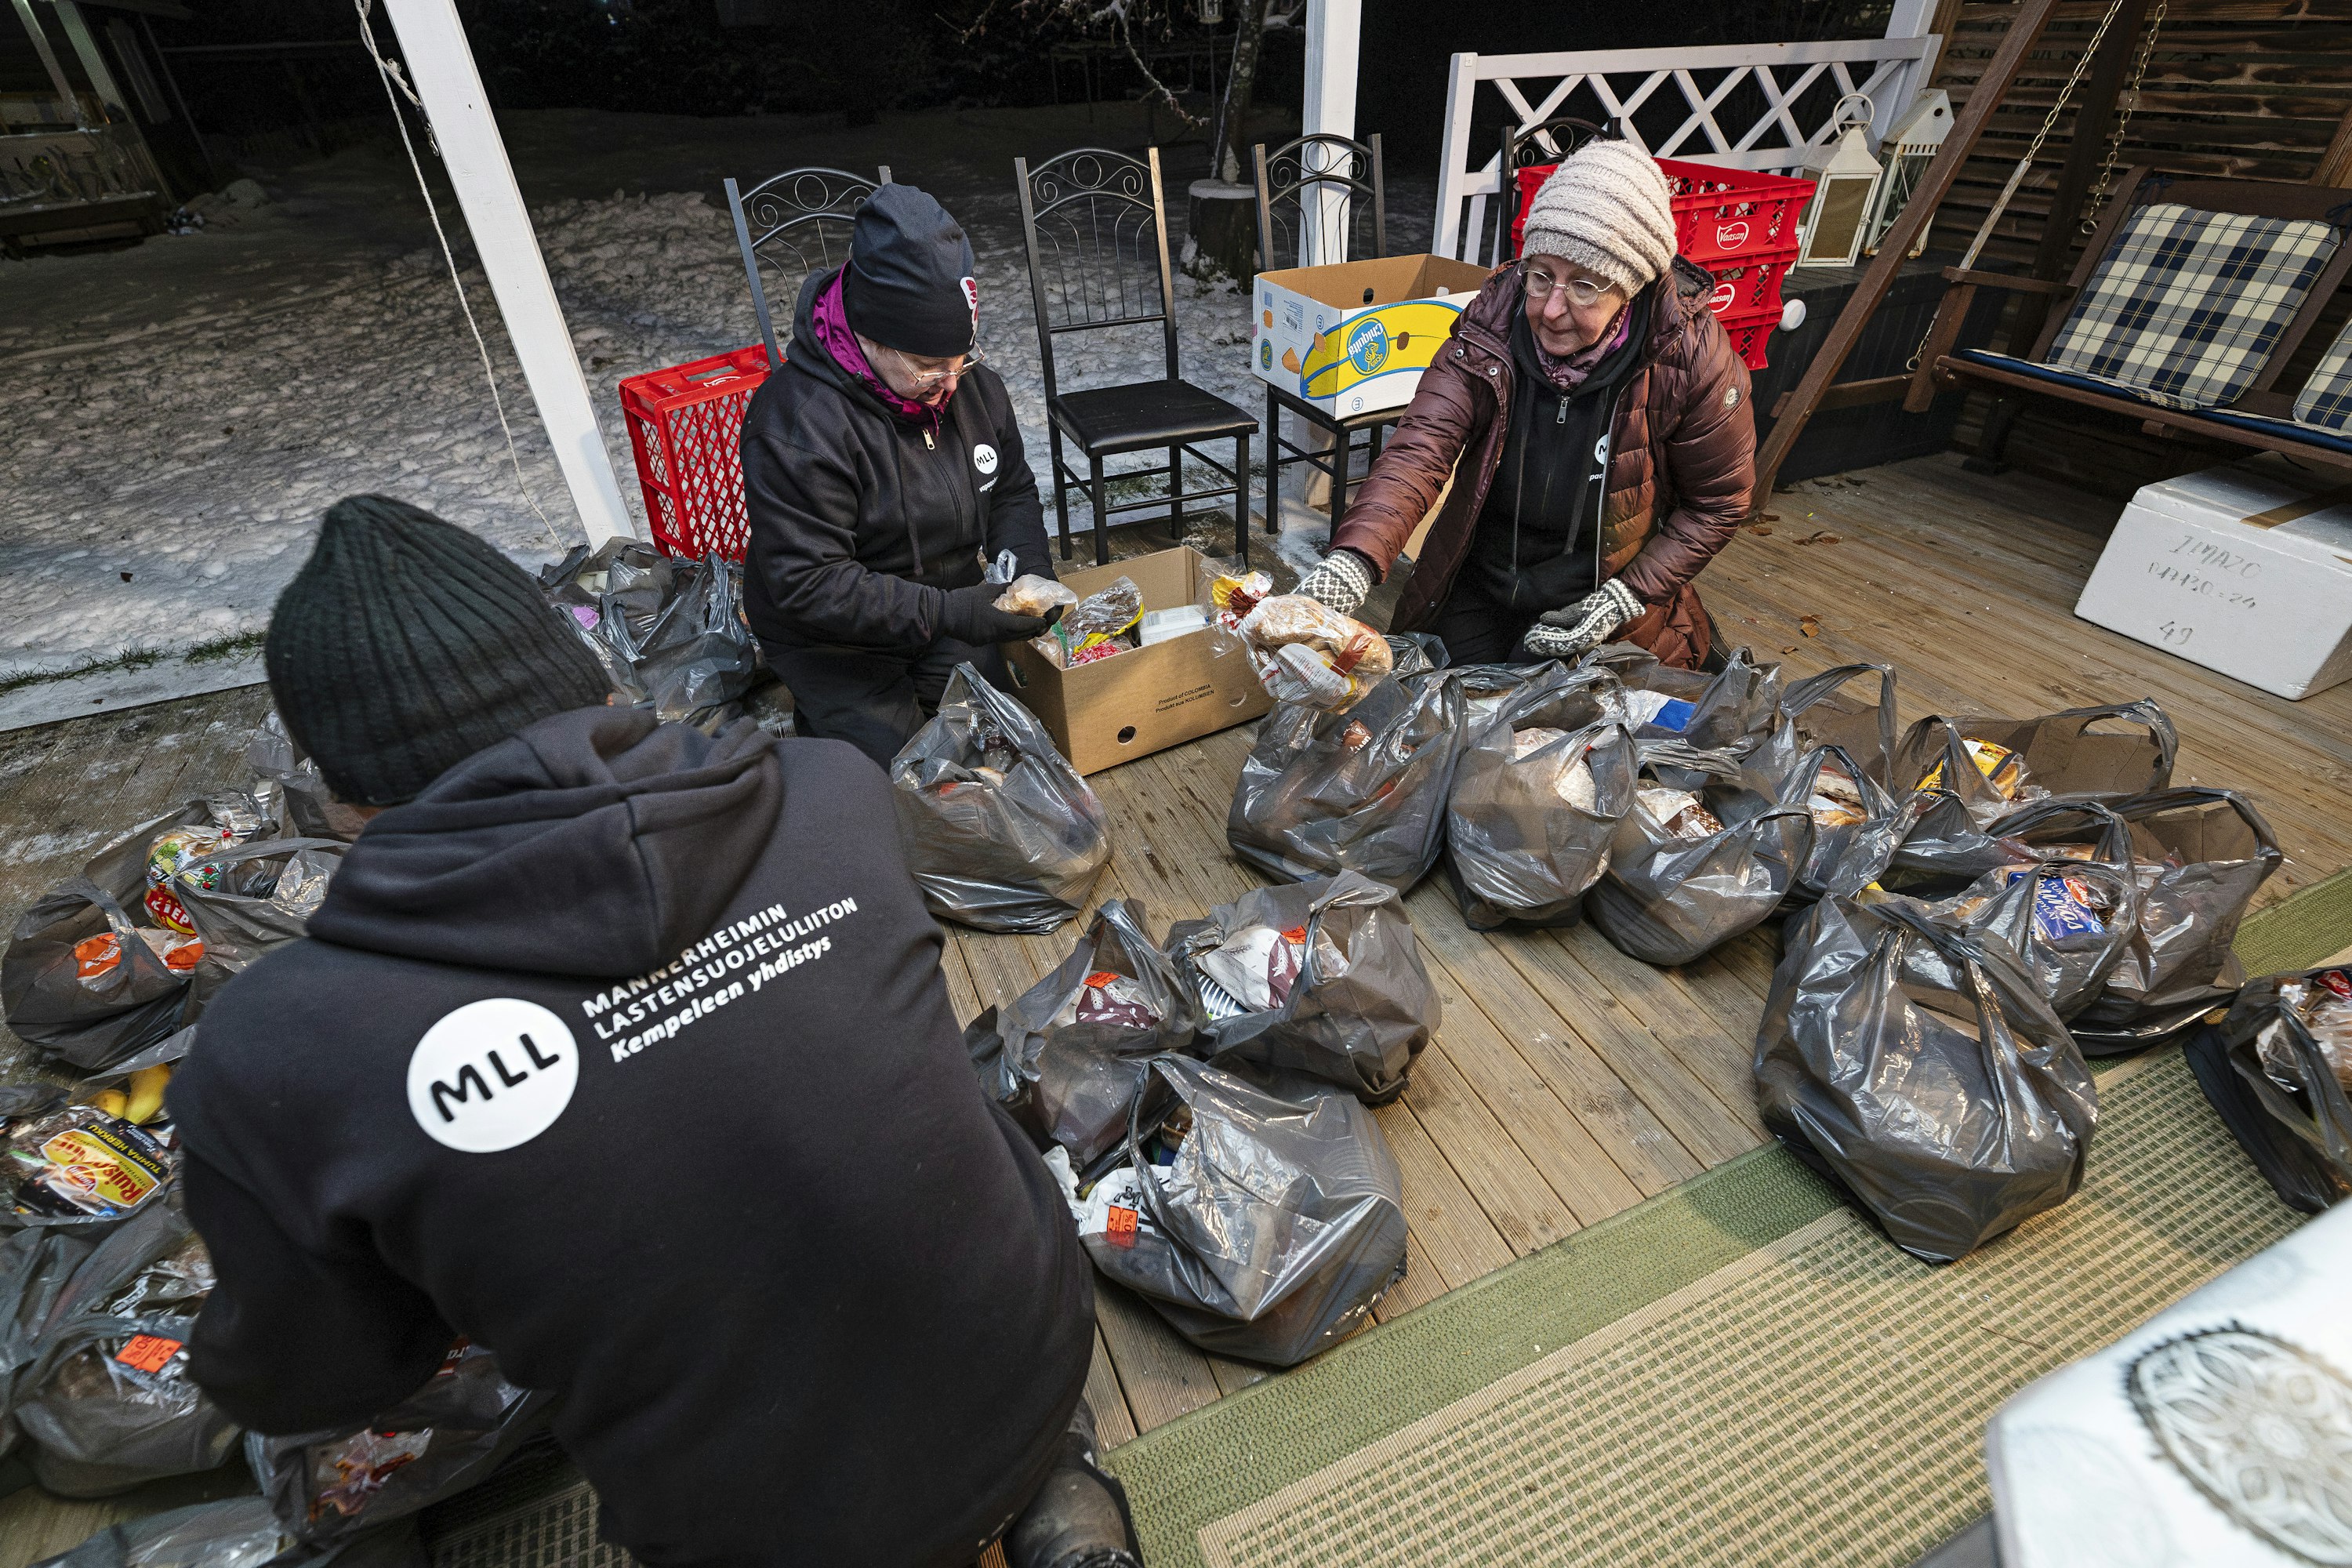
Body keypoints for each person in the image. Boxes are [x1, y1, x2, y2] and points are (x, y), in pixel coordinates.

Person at [169, 496, 1142, 1568]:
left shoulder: (278, 1047)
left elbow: (321, 1377)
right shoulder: (830, 792)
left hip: (764, 1527)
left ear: (342, 800)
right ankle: (1056, 1481)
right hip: (1031, 1345)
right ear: (587, 682)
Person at [1293, 140, 1755, 670]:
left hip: (1599, 595)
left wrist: (1626, 597)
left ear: (1631, 289)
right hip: (1482, 580)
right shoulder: (1488, 328)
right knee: (1438, 713)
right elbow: (1419, 451)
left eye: (1584, 286)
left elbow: (1718, 504)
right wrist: (1355, 559)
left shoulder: (1690, 359)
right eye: (1541, 276)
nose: (1552, 309)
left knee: (1559, 736)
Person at [741, 183, 1059, 768]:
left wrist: (1027, 569)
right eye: (927, 367)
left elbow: (1010, 488)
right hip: (835, 640)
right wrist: (957, 613)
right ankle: (827, 720)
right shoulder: (795, 423)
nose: (951, 383)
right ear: (868, 339)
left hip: (942, 604)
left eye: (963, 360)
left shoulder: (970, 390)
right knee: (902, 778)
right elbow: (811, 584)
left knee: (1005, 745)